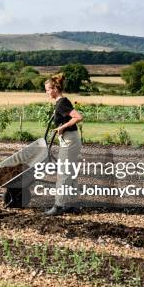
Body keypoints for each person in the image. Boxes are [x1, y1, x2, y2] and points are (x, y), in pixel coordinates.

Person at [43, 74, 84, 216]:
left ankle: (59, 205)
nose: (47, 92)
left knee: (64, 173)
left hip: (69, 140)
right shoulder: (60, 102)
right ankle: (72, 204)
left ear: (55, 89)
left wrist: (62, 127)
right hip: (70, 140)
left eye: (48, 89)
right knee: (70, 172)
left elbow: (78, 117)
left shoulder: (62, 103)